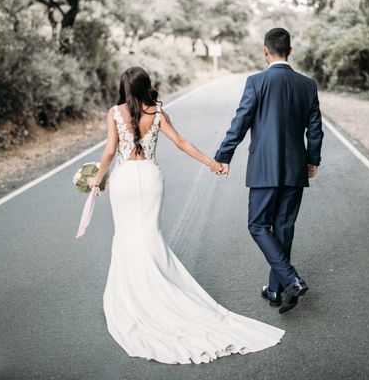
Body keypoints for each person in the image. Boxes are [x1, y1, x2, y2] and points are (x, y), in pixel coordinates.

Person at [87, 66, 284, 364]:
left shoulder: (115, 113)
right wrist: (210, 162)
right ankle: (157, 288)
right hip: (150, 179)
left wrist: (97, 179)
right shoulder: (158, 114)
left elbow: (110, 151)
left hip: (124, 180)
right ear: (145, 86)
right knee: (149, 235)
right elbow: (180, 142)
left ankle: (135, 295)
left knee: (127, 236)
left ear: (123, 88)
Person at [214, 27, 324, 314]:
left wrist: (224, 155)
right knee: (284, 228)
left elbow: (240, 122)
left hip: (264, 169)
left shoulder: (256, 82)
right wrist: (313, 161)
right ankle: (276, 291)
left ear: (265, 51)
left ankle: (291, 280)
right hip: (295, 170)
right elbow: (315, 130)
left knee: (258, 225)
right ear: (290, 50)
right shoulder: (307, 85)